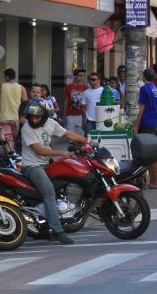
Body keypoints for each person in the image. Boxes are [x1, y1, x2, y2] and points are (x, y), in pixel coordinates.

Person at [21, 99, 95, 244]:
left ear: (44, 116)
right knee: (49, 192)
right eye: (32, 117)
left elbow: (68, 134)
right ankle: (58, 231)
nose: (34, 120)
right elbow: (39, 150)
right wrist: (61, 153)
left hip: (46, 164)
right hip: (32, 166)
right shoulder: (27, 129)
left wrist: (87, 141)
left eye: (37, 117)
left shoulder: (51, 124)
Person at [133, 69, 157, 189]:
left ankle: (154, 181)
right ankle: (154, 181)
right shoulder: (154, 88)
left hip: (148, 123)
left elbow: (142, 108)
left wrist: (136, 124)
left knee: (149, 154)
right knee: (154, 154)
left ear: (143, 77)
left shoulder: (145, 88)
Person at [0, 68, 27, 145]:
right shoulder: (21, 88)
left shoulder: (2, 87)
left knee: (7, 142)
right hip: (17, 119)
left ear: (7, 77)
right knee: (18, 141)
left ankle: (10, 155)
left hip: (3, 118)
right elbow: (26, 104)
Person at [64, 68, 88, 134]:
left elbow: (86, 104)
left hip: (81, 116)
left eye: (83, 75)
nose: (82, 77)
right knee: (71, 137)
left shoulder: (86, 88)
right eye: (80, 75)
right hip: (70, 115)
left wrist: (85, 118)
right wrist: (64, 116)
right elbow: (66, 101)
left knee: (80, 137)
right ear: (75, 76)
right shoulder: (68, 87)